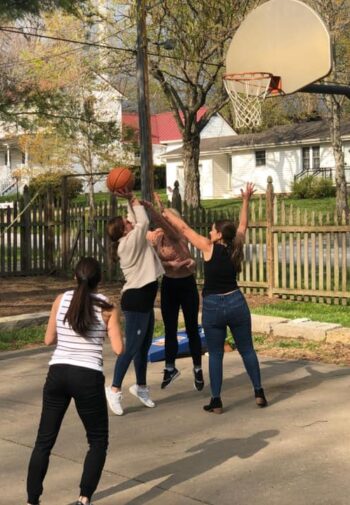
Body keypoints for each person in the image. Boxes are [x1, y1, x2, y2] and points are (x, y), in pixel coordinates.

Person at [162, 183, 267, 414]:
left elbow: (183, 228)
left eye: (212, 230)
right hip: (236, 302)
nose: (209, 232)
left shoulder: (208, 248)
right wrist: (246, 200)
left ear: (218, 235)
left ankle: (217, 400)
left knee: (216, 354)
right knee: (247, 349)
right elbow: (243, 225)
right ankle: (258, 392)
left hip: (213, 306)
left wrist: (164, 212)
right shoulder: (236, 245)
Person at [26, 257, 124, 505]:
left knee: (43, 441)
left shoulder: (61, 300)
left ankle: (32, 500)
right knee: (98, 440)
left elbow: (49, 340)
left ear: (74, 278)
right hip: (87, 376)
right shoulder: (108, 307)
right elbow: (119, 349)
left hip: (57, 373)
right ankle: (84, 498)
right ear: (99, 280)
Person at [105, 189, 164, 415]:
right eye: (125, 222)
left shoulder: (129, 238)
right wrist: (131, 199)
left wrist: (130, 200)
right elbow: (143, 220)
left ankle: (140, 387)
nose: (129, 221)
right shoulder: (128, 243)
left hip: (144, 300)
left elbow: (137, 219)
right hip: (136, 300)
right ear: (123, 230)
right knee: (131, 348)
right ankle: (114, 389)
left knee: (143, 347)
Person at [142, 193, 204, 390]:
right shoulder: (158, 237)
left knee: (192, 327)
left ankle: (197, 368)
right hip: (169, 284)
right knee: (169, 328)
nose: (163, 225)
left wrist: (190, 263)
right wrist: (170, 264)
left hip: (186, 285)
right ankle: (170, 368)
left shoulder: (178, 235)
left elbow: (193, 262)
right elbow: (153, 259)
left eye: (167, 221)